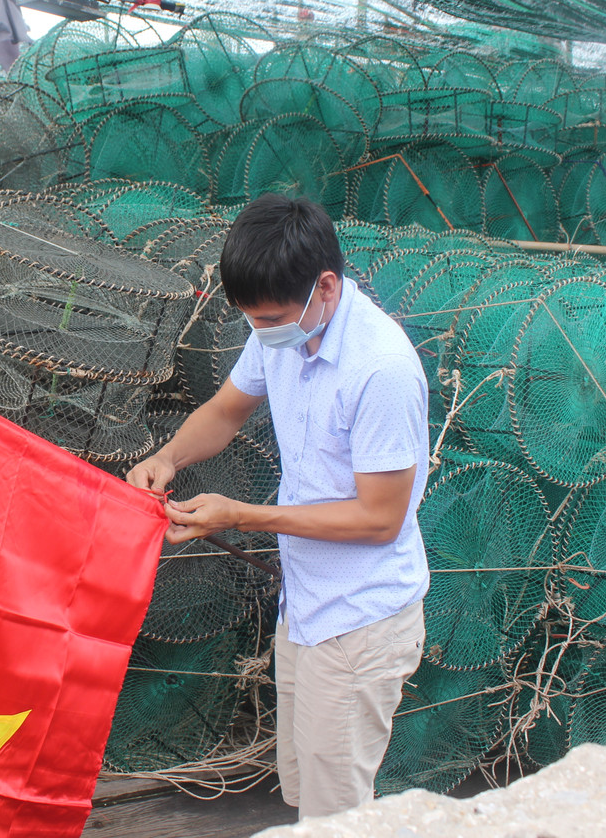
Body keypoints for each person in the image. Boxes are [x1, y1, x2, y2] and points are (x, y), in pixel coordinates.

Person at [126, 194, 429, 819]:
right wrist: (170, 459)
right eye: (251, 320)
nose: (263, 333)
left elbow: (380, 519)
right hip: (307, 607)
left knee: (336, 815)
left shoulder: (382, 369)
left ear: (325, 285)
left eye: (272, 318)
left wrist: (241, 515)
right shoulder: (280, 330)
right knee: (302, 792)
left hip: (359, 621)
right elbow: (226, 410)